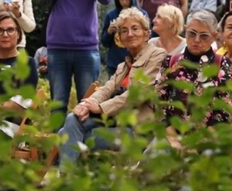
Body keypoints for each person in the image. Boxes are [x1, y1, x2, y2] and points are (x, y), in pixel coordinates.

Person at [59, 8, 167, 164]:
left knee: (67, 134)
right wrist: (87, 104)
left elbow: (138, 94)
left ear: (146, 33)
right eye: (124, 31)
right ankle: (68, 175)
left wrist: (100, 108)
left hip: (137, 130)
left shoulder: (157, 55)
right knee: (73, 119)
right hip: (115, 121)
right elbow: (106, 89)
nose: (129, 34)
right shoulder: (123, 66)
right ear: (120, 38)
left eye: (135, 28)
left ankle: (65, 175)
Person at [33, 0, 112, 113]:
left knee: (88, 103)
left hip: (86, 48)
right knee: (58, 102)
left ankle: (85, 132)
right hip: (58, 47)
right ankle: (57, 132)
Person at [156, 10, 232, 148]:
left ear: (214, 36)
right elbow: (159, 102)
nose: (197, 40)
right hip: (171, 138)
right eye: (192, 33)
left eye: (204, 36)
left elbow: (225, 110)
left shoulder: (222, 65)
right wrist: (173, 140)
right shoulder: (171, 62)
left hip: (210, 140)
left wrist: (198, 144)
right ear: (185, 31)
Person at [101, 0, 148, 75]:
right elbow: (104, 43)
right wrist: (109, 32)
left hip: (137, 63)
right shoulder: (111, 15)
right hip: (115, 64)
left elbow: (147, 39)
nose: (124, 2)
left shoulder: (141, 15)